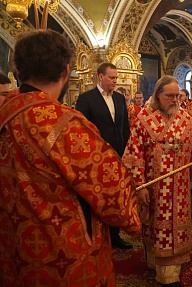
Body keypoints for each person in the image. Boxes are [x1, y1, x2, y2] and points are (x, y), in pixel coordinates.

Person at [0, 29, 141, 286]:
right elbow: (112, 193)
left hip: (13, 246)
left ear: (19, 70)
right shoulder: (65, 124)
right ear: (66, 72)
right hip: (61, 253)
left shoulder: (5, 111)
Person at [122, 75, 192, 286]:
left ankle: (169, 274)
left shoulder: (186, 119)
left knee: (175, 228)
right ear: (158, 95)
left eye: (178, 96)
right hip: (155, 186)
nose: (175, 100)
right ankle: (158, 265)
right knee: (156, 227)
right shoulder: (143, 119)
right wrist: (140, 186)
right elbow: (133, 154)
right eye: (170, 96)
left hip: (180, 188)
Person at [75, 62, 133, 249]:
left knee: (115, 196)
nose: (115, 81)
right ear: (101, 77)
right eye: (112, 77)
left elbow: (124, 126)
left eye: (116, 77)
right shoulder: (86, 99)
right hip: (96, 156)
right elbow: (82, 130)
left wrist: (126, 149)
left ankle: (115, 236)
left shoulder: (119, 98)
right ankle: (95, 235)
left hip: (118, 154)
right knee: (98, 196)